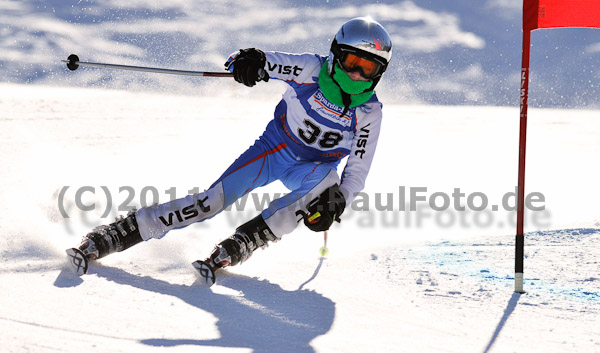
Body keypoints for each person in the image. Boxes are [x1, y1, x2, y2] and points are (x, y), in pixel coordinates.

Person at [67, 17, 393, 280]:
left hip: (310, 171)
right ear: (336, 54)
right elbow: (267, 62)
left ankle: (251, 237)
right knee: (211, 203)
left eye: (367, 68)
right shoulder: (310, 70)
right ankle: (123, 231)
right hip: (272, 152)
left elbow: (357, 173)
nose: (355, 73)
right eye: (351, 61)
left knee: (328, 187)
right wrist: (247, 62)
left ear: (379, 74)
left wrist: (339, 201)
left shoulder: (369, 114)